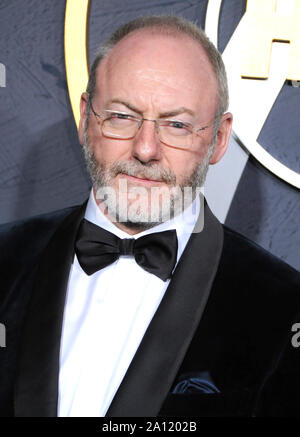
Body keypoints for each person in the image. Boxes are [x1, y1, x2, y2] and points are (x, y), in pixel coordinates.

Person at [0, 15, 300, 418]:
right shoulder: (6, 259)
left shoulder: (282, 308)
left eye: (177, 125)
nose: (145, 149)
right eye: (122, 116)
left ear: (219, 138)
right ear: (87, 117)